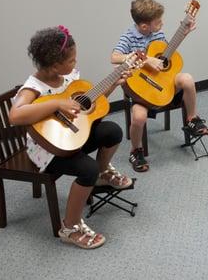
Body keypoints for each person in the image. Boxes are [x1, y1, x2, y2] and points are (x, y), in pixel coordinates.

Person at [9, 26, 133, 249]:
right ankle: (70, 226)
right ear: (55, 66)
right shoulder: (33, 88)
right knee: (87, 169)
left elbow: (89, 103)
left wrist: (113, 84)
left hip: (74, 135)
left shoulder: (69, 78)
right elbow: (15, 115)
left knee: (112, 131)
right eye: (72, 61)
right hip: (47, 149)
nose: (75, 64)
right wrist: (56, 103)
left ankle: (102, 173)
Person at [111, 0, 208, 172]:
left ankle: (192, 119)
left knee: (186, 78)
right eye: (158, 22)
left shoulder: (158, 34)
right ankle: (136, 150)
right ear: (144, 26)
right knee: (139, 118)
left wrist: (183, 34)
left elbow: (166, 55)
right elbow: (114, 57)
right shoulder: (128, 37)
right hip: (141, 92)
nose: (162, 24)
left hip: (162, 85)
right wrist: (145, 59)